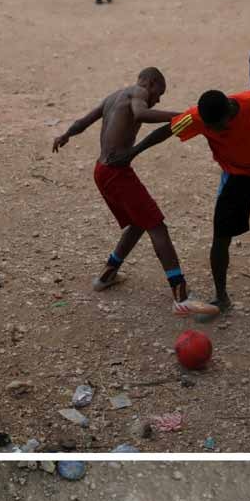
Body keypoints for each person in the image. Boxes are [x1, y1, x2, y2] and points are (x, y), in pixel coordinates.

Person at [114, 81, 250, 323]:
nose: (212, 130)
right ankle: (221, 298)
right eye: (209, 126)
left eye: (216, 126)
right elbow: (166, 131)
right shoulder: (199, 118)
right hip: (236, 178)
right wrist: (133, 152)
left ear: (230, 112)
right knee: (220, 240)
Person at [52, 68, 217, 318]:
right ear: (150, 82)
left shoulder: (113, 97)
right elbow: (141, 113)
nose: (157, 100)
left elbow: (83, 122)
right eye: (159, 93)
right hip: (116, 173)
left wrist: (65, 134)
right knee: (157, 226)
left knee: (139, 223)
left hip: (102, 170)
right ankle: (181, 297)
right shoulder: (138, 93)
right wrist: (181, 115)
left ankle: (107, 275)